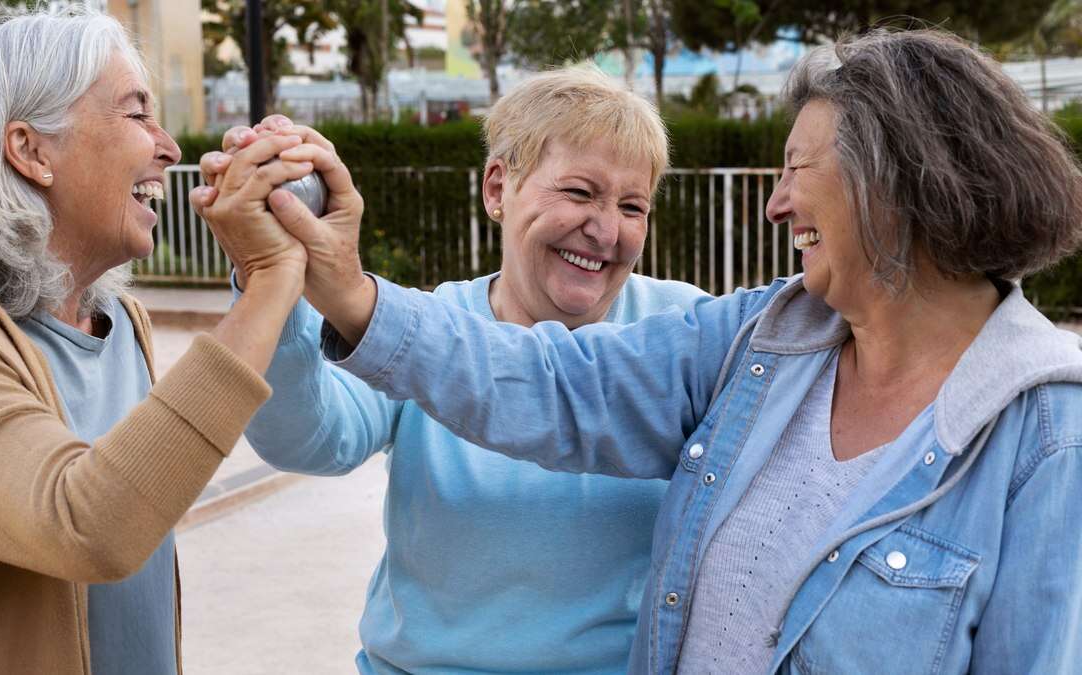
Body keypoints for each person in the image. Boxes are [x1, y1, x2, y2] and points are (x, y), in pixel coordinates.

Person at [251, 29, 1082, 673]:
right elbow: (552, 385)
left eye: (798, 168)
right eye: (578, 191)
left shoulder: (1048, 434)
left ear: (897, 184)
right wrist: (332, 288)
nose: (776, 203)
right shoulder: (760, 343)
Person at [194, 66, 708, 673]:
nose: (605, 229)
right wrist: (269, 276)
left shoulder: (681, 328)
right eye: (578, 192)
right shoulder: (430, 326)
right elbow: (308, 441)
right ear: (498, 187)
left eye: (632, 206)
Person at [0, 8, 326, 674]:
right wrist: (268, 284)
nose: (169, 147)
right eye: (136, 114)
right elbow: (89, 523)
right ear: (32, 151)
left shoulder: (118, 324)